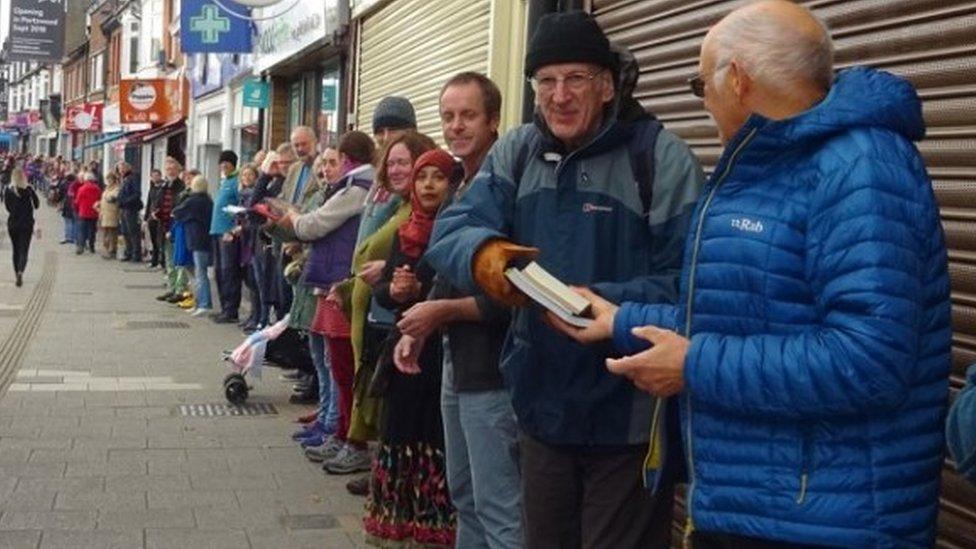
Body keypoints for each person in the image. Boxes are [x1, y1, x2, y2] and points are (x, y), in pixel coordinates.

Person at [552, 2, 952, 547]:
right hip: (757, 508)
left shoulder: (859, 167)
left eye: (700, 85)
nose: (705, 103)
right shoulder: (772, 164)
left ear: (737, 79)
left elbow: (871, 360)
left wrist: (693, 365)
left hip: (826, 525)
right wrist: (622, 319)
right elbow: (743, 315)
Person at [425, 11, 704, 548]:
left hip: (628, 412)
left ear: (606, 85)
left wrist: (604, 304)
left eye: (576, 78)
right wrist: (488, 257)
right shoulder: (520, 149)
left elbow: (690, 280)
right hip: (541, 409)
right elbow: (454, 227)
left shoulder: (658, 157)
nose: (560, 95)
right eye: (546, 81)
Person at [394, 72, 521, 549]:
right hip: (456, 363)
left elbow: (519, 291)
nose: (456, 126)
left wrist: (442, 312)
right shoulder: (461, 185)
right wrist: (424, 324)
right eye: (448, 116)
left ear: (493, 121)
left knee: (499, 507)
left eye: (468, 115)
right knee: (464, 496)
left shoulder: (510, 186)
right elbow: (452, 272)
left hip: (494, 372)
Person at [364, 148, 459, 547]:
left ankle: (436, 528)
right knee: (400, 433)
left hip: (441, 352)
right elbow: (387, 292)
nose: (429, 185)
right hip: (404, 350)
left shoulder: (458, 228)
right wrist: (393, 288)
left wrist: (417, 289)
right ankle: (397, 524)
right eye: (423, 178)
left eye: (438, 177)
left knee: (436, 437)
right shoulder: (407, 231)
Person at [334, 131, 437, 495]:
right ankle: (384, 471)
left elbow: (411, 265)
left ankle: (393, 479)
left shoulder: (420, 210)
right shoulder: (394, 205)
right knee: (379, 396)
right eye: (390, 162)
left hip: (404, 325)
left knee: (394, 407)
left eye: (403, 163)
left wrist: (389, 270)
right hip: (379, 311)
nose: (395, 170)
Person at [282, 133, 375, 469]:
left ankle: (344, 433)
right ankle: (333, 425)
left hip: (340, 283)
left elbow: (314, 224)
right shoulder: (353, 186)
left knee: (340, 365)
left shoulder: (357, 187)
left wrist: (293, 220)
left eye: (333, 161)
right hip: (332, 281)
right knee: (329, 360)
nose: (326, 169)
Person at [173, 175, 215, 316]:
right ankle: (200, 302)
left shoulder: (192, 201)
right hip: (206, 238)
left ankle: (204, 303)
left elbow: (177, 212)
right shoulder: (209, 201)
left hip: (196, 239)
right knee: (199, 272)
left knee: (200, 273)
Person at [209, 150, 242, 324]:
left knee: (229, 272)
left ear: (233, 164)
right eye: (221, 163)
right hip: (216, 231)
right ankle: (224, 308)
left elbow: (241, 205)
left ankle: (231, 310)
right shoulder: (225, 181)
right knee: (219, 272)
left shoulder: (236, 181)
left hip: (228, 233)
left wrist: (234, 228)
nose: (223, 166)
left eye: (226, 163)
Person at [155, 158, 188, 302]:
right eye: (167, 168)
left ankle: (180, 290)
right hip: (163, 227)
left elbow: (179, 209)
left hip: (176, 229)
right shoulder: (164, 185)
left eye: (172, 168)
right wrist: (155, 212)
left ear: (178, 169)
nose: (169, 171)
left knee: (178, 260)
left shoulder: (181, 187)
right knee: (168, 260)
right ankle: (172, 287)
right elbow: (158, 203)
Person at [3, 168, 40, 287]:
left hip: (13, 223)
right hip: (27, 223)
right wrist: (32, 192)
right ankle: (20, 271)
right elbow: (37, 205)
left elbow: (7, 207)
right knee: (24, 249)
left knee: (16, 249)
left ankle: (16, 273)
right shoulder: (28, 189)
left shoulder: (8, 190)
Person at [117, 162, 143, 262]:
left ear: (128, 168)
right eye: (120, 169)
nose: (121, 171)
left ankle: (136, 254)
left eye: (123, 168)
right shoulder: (123, 179)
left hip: (131, 208)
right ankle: (129, 252)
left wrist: (125, 201)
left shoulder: (133, 177)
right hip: (123, 208)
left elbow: (137, 194)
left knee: (133, 231)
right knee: (125, 231)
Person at [74, 172, 103, 256]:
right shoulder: (97, 189)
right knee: (92, 231)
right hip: (94, 212)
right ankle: (91, 247)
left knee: (82, 230)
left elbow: (77, 201)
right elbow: (100, 199)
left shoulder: (82, 188)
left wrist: (76, 209)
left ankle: (81, 246)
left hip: (83, 212)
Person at [96, 172, 121, 260]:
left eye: (110, 179)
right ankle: (106, 249)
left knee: (112, 232)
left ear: (114, 180)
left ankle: (112, 250)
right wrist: (99, 203)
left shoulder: (116, 188)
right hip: (104, 213)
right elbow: (103, 199)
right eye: (108, 179)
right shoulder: (106, 189)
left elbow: (115, 197)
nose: (109, 181)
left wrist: (109, 199)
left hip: (112, 213)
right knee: (105, 232)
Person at [144, 168, 165, 268]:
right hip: (151, 218)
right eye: (153, 176)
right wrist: (145, 218)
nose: (155, 178)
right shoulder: (152, 188)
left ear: (160, 176)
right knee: (153, 240)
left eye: (157, 175)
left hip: (160, 218)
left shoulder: (164, 188)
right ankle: (154, 261)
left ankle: (162, 261)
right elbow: (149, 203)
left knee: (160, 240)